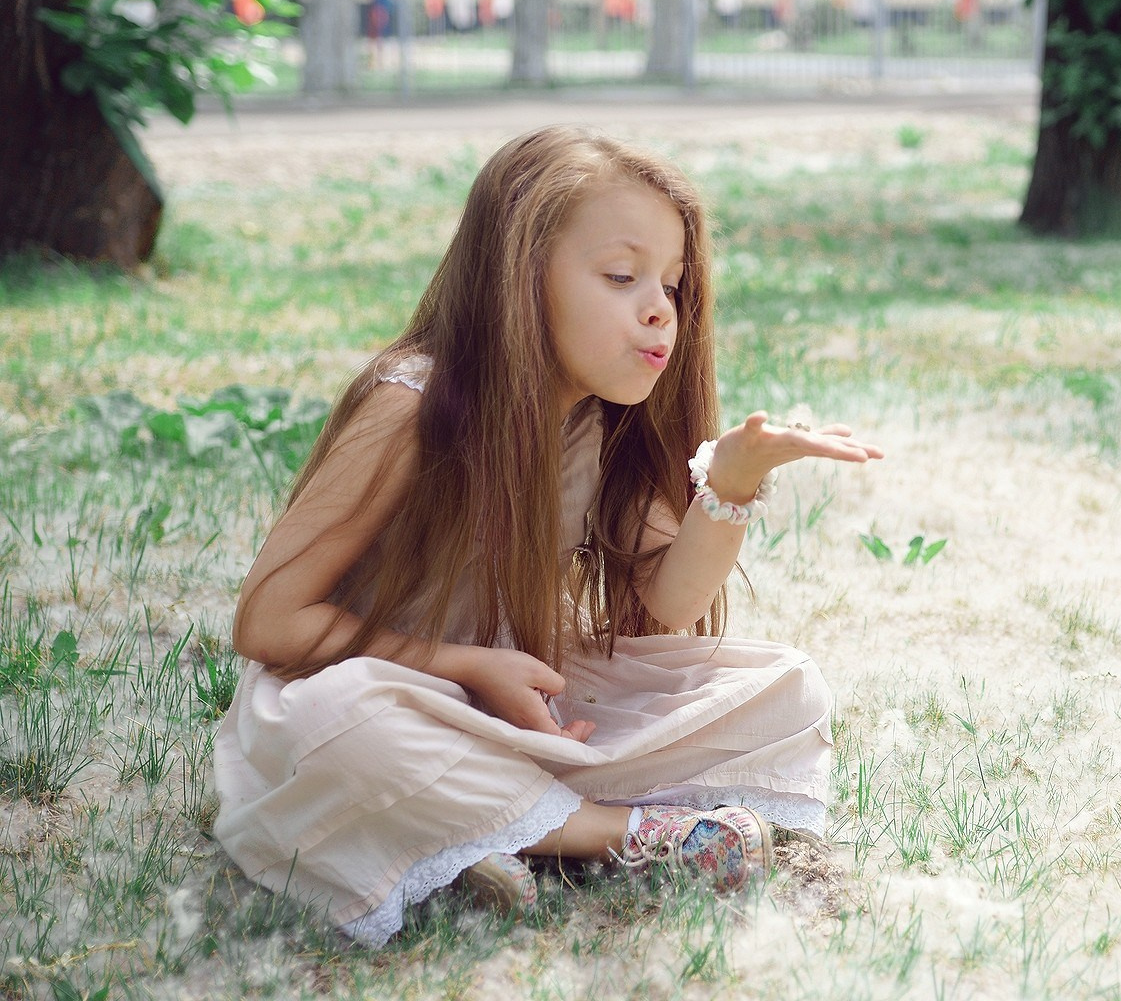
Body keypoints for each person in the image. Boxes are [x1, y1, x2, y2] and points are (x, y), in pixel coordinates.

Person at [214, 126, 883, 946]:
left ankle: (492, 826)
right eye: (620, 276)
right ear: (520, 276)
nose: (657, 309)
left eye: (673, 286)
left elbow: (670, 601)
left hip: (526, 703)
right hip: (382, 688)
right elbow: (268, 624)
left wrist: (733, 483)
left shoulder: (599, 426)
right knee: (348, 730)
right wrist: (466, 666)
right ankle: (620, 834)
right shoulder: (411, 408)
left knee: (790, 685)